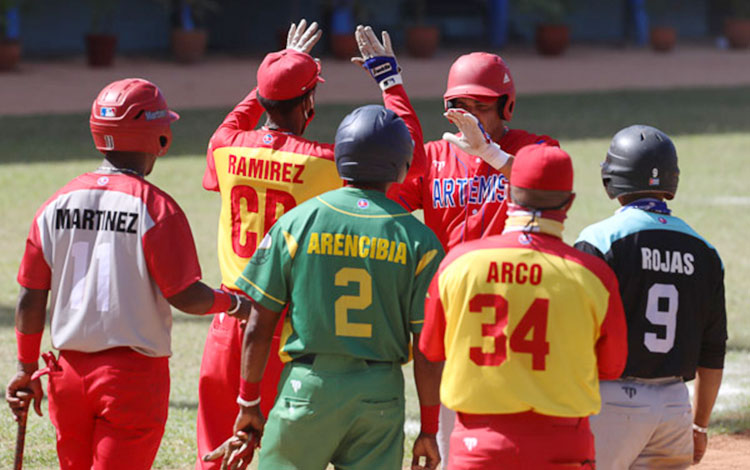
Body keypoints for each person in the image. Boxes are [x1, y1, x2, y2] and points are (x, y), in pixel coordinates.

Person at [195, 20, 428, 469]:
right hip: (291, 338)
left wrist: (275, 72)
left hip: (231, 328)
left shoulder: (223, 148)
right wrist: (389, 81)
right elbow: (408, 156)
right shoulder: (323, 166)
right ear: (309, 102)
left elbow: (235, 122)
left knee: (219, 458)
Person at [4, 78, 252, 470]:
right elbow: (186, 295)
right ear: (161, 138)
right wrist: (236, 303)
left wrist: (25, 367)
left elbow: (31, 296)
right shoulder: (157, 207)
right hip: (132, 380)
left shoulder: (56, 202)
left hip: (67, 376)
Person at [420, 144, 629, 469]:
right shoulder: (594, 276)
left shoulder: (458, 263)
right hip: (563, 442)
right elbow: (611, 367)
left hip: (479, 444)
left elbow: (432, 350)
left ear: (509, 195)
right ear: (569, 202)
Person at [396, 51, 560, 465]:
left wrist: (496, 158)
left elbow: (549, 191)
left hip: (517, 315)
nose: (469, 118)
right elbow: (384, 191)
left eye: (481, 108)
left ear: (506, 105)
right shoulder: (433, 156)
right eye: (459, 108)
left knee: (518, 440)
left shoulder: (535, 148)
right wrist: (390, 88)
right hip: (452, 314)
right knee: (457, 445)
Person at [574, 125, 727, 469]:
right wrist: (700, 425)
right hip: (674, 407)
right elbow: (713, 350)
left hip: (610, 402)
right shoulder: (705, 250)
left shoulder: (599, 240)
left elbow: (573, 332)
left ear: (612, 178)